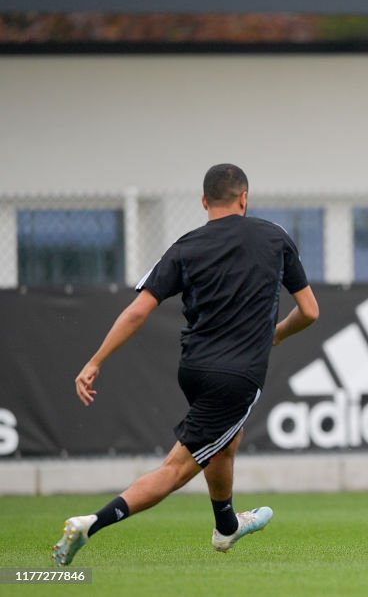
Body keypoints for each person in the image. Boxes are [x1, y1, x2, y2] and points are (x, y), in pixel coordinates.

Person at [53, 163, 319, 566]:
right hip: (237, 375)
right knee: (176, 470)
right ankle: (91, 522)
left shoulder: (184, 246)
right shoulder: (274, 237)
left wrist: (95, 360)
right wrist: (276, 334)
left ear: (203, 201)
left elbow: (136, 312)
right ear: (244, 198)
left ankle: (226, 526)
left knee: (227, 441)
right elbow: (310, 311)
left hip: (193, 369)